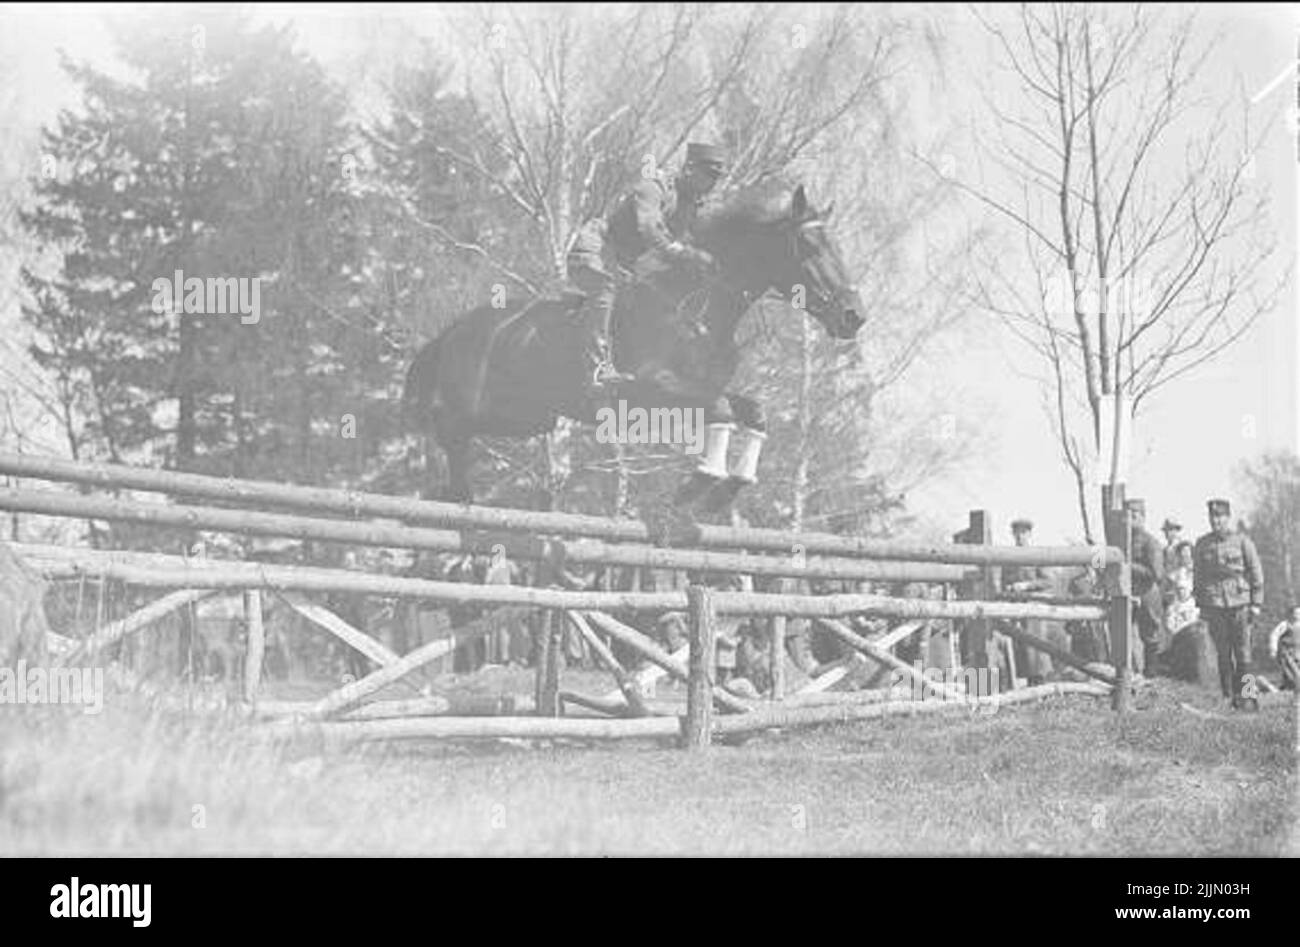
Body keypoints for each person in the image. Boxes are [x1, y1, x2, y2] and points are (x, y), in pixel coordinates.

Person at [565, 142, 727, 395]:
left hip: (627, 265)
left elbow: (695, 240)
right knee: (605, 292)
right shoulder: (653, 186)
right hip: (598, 247)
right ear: (690, 169)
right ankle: (596, 370)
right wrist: (687, 253)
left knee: (656, 301)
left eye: (717, 177)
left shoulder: (690, 206)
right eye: (709, 175)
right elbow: (649, 229)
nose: (713, 182)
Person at [1193, 498, 1265, 711]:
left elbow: (1256, 572)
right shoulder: (1202, 544)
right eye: (1212, 517)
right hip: (1215, 605)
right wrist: (1201, 604)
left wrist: (1256, 603)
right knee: (1223, 653)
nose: (1215, 521)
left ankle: (1248, 698)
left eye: (1219, 517)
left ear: (1227, 517)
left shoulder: (1243, 542)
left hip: (1240, 604)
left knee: (1243, 653)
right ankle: (1229, 697)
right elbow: (1199, 576)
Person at [1000, 517, 1054, 686]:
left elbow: (1048, 581)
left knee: (1036, 648)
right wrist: (1009, 590)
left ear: (1029, 534)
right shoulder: (1008, 558)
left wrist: (1027, 585)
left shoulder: (1036, 555)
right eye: (1016, 533)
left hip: (1034, 607)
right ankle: (1028, 684)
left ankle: (1041, 682)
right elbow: (1003, 582)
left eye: (1023, 533)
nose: (1019, 536)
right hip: (1017, 608)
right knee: (1021, 647)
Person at [1125, 499, 1166, 675]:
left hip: (1147, 592)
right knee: (1124, 631)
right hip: (1127, 592)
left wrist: (1129, 566)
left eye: (1134, 516)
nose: (1129, 520)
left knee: (1150, 633)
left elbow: (1156, 574)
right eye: (1127, 517)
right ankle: (1129, 671)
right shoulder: (1121, 540)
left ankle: (1152, 672)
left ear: (1143, 518)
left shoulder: (1150, 542)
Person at [1266, 603, 1299, 691]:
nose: (1297, 616)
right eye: (1295, 613)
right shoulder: (1285, 624)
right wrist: (1273, 649)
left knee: (1293, 676)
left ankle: (1286, 686)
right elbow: (1274, 635)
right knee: (1293, 674)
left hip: (1298, 653)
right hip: (1287, 654)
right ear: (1291, 614)